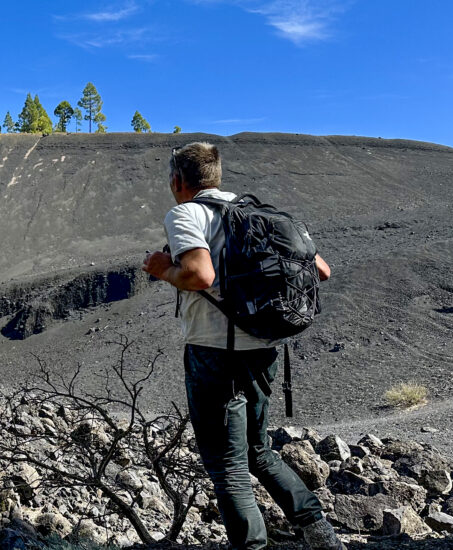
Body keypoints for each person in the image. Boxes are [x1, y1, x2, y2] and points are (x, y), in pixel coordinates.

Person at [140, 142, 344, 550]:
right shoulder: (256, 213)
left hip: (215, 354)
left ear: (178, 181)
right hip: (263, 352)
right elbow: (320, 269)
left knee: (226, 466)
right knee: (258, 450)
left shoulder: (186, 213)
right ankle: (320, 534)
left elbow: (198, 274)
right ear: (216, 176)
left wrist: (163, 269)